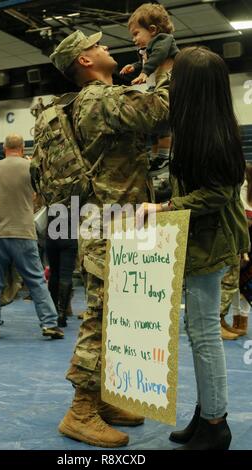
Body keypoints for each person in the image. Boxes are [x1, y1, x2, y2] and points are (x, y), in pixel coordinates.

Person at [50, 29, 170, 447]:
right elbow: (161, 111)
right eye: (96, 46)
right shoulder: (97, 99)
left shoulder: (101, 98)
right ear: (84, 61)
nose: (105, 48)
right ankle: (81, 411)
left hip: (113, 220)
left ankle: (100, 398)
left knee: (115, 316)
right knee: (101, 316)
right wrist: (168, 70)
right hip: (109, 224)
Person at [137, 46, 249, 450]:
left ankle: (216, 423)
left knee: (203, 334)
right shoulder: (204, 124)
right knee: (198, 330)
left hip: (210, 240)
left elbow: (218, 193)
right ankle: (206, 415)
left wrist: (166, 206)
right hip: (203, 239)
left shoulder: (212, 135)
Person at [0, 133, 64, 341]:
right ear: (23, 147)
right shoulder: (31, 167)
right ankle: (50, 324)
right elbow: (42, 194)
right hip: (24, 231)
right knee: (36, 280)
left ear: (3, 147)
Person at [120, 3, 179, 178]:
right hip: (155, 88)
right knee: (153, 126)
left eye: (136, 33)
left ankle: (164, 156)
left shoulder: (164, 41)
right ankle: (156, 157)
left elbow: (158, 57)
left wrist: (145, 72)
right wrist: (135, 66)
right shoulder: (148, 49)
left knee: (163, 126)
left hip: (168, 84)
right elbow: (148, 60)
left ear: (152, 29)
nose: (134, 39)